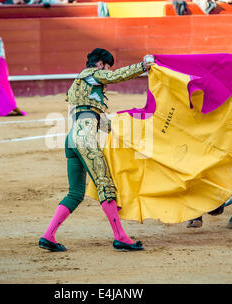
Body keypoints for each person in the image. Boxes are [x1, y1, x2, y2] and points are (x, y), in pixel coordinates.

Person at [38, 49, 154, 252]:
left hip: (73, 139)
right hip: (85, 140)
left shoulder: (82, 86)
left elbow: (100, 122)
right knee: (105, 185)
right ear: (100, 64)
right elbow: (116, 76)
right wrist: (142, 67)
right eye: (108, 67)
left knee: (75, 193)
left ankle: (48, 236)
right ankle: (120, 237)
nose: (107, 74)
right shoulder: (92, 73)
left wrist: (129, 127)